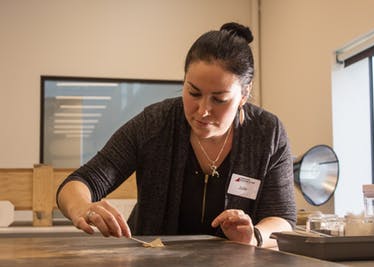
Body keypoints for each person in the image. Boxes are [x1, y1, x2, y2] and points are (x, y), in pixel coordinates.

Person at [57, 22, 296, 248]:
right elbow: (81, 182)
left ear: (244, 94)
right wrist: (83, 207)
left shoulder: (267, 134)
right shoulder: (155, 124)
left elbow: (283, 217)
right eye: (193, 93)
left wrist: (253, 235)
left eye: (219, 99)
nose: (203, 110)